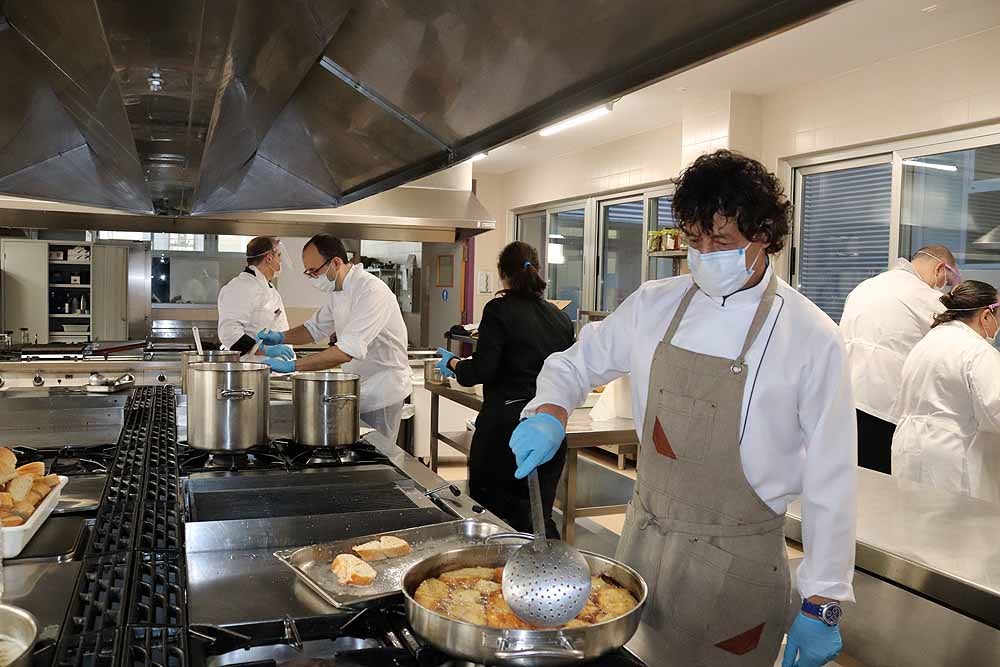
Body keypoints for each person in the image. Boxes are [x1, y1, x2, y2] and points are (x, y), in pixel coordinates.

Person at [508, 151, 856, 667]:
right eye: (695, 240)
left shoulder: (810, 336)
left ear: (763, 235)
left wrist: (823, 600)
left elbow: (833, 477)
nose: (705, 254)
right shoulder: (655, 304)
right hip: (645, 550)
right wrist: (552, 410)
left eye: (722, 241)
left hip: (738, 570)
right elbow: (574, 362)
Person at [435, 242, 574, 537]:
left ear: (502, 274)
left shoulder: (498, 309)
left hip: (504, 431)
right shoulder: (560, 317)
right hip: (547, 430)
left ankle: (498, 578)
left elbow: (482, 370)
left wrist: (456, 364)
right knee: (537, 516)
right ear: (536, 270)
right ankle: (544, 575)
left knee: (493, 519)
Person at [256, 234, 411, 443]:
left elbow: (346, 352)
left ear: (336, 262)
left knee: (377, 456)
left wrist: (293, 366)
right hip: (358, 388)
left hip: (382, 391)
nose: (312, 277)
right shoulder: (339, 292)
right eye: (308, 272)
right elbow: (313, 329)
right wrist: (280, 337)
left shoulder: (371, 291)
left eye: (314, 271)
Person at [840, 244, 959, 474]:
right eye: (947, 279)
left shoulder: (866, 286)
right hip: (883, 406)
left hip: (847, 398)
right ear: (940, 269)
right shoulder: (924, 296)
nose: (944, 287)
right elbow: (961, 338)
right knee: (882, 485)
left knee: (856, 477)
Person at [892, 280, 1000, 503]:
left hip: (910, 447)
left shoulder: (929, 341)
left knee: (915, 524)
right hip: (953, 456)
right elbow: (996, 411)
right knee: (956, 531)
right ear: (986, 316)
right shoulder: (978, 351)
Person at [217, 237, 294, 362]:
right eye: (278, 256)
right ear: (269, 258)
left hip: (272, 371)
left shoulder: (267, 287)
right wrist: (264, 350)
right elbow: (229, 332)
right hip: (252, 372)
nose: (280, 261)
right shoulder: (241, 287)